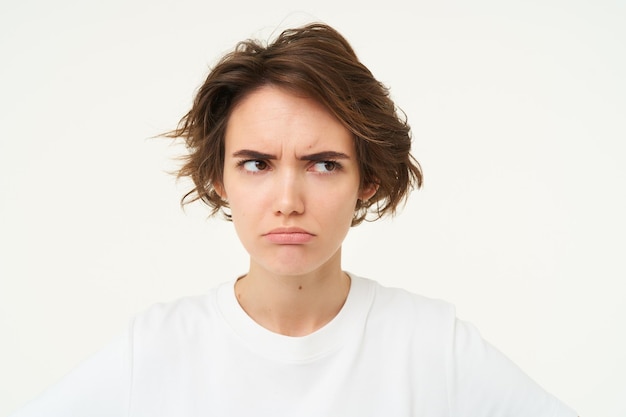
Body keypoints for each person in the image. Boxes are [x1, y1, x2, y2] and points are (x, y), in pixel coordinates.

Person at [11, 22, 577, 417]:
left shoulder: (432, 346)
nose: (288, 199)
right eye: (256, 163)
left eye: (323, 164)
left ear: (368, 180)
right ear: (218, 178)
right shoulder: (156, 350)